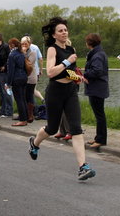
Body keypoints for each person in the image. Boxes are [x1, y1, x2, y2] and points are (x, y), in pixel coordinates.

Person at [28, 17, 96, 181]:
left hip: (70, 91)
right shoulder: (52, 49)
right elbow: (51, 72)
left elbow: (68, 72)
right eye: (60, 30)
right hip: (55, 91)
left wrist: (77, 77)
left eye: (65, 30)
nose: (64, 32)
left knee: (76, 128)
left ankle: (83, 167)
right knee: (51, 128)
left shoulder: (71, 48)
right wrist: (67, 61)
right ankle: (35, 143)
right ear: (54, 34)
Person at [83, 33, 109, 148]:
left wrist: (85, 74)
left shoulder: (97, 55)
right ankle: (98, 137)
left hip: (97, 88)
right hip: (98, 87)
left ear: (89, 43)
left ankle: (101, 139)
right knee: (99, 114)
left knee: (99, 115)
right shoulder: (98, 53)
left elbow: (97, 71)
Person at [6, 38, 28, 126]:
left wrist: (8, 83)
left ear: (12, 45)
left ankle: (22, 120)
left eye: (9, 44)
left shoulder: (12, 55)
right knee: (23, 98)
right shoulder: (21, 53)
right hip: (24, 77)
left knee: (19, 100)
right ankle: (26, 117)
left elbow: (11, 70)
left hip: (16, 79)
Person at [0, 33, 12, 118]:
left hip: (4, 72)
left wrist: (5, 66)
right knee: (0, 91)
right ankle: (2, 109)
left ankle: (9, 110)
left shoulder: (5, 46)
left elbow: (9, 57)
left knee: (6, 91)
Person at [21, 36, 37, 123]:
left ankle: (30, 115)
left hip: (30, 77)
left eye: (25, 44)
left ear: (29, 44)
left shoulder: (33, 53)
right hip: (23, 77)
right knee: (23, 96)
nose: (24, 45)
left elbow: (28, 64)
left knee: (29, 95)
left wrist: (23, 54)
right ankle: (23, 114)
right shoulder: (20, 52)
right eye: (22, 44)